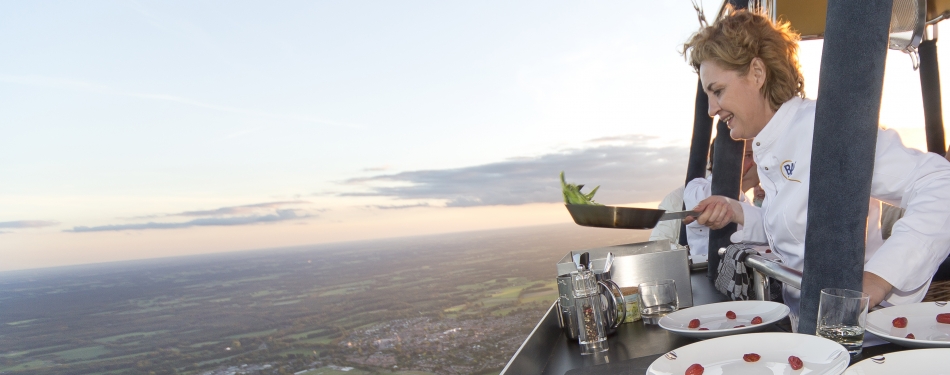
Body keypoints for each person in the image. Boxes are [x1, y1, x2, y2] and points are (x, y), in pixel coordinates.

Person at [681, 9, 950, 330]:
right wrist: (736, 210)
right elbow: (800, 233)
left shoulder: (824, 128)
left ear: (756, 73)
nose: (711, 110)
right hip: (808, 326)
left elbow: (940, 184)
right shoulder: (773, 146)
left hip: (859, 331)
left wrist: (880, 277)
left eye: (718, 91)